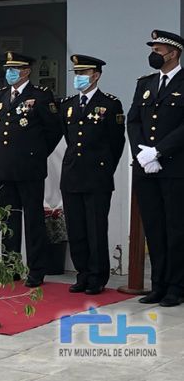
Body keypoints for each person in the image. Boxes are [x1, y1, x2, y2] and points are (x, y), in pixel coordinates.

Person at [0, 51, 63, 287]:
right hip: (5, 167)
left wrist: (37, 153)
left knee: (33, 221)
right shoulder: (1, 96)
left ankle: (36, 270)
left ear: (26, 71)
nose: (9, 72)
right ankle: (10, 267)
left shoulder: (41, 96)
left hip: (29, 167)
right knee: (8, 220)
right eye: (7, 68)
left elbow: (54, 129)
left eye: (14, 68)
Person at [59, 55, 125, 295]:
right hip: (72, 174)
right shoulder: (68, 104)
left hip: (97, 176)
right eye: (76, 73)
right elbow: (69, 138)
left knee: (95, 228)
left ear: (96, 75)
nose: (78, 78)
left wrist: (105, 168)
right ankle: (83, 273)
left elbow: (117, 143)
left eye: (83, 73)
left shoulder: (109, 104)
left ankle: (97, 276)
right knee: (76, 228)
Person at [128, 30, 184, 307]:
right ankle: (158, 284)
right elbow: (133, 120)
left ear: (173, 53)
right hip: (146, 168)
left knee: (176, 229)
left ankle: (176, 286)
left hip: (175, 168)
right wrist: (143, 154)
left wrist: (159, 151)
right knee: (153, 227)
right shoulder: (146, 83)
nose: (153, 54)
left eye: (158, 49)